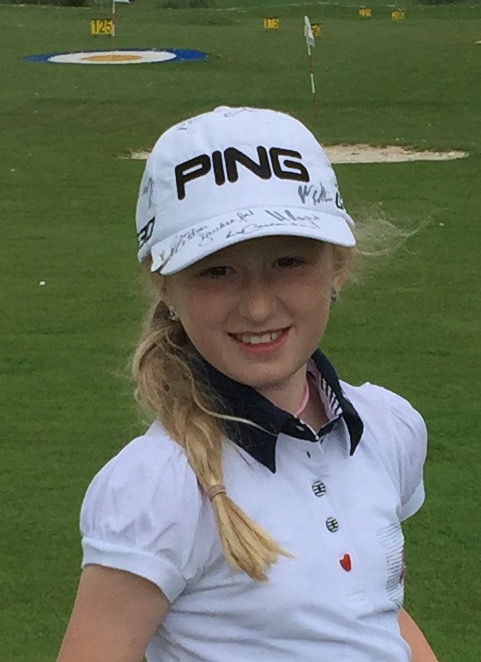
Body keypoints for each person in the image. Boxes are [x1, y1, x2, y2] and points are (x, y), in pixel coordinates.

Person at [57, 106, 439, 662]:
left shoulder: (388, 426)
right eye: (217, 271)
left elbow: (378, 612)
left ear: (338, 265)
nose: (258, 307)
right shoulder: (158, 485)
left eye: (288, 262)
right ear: (164, 285)